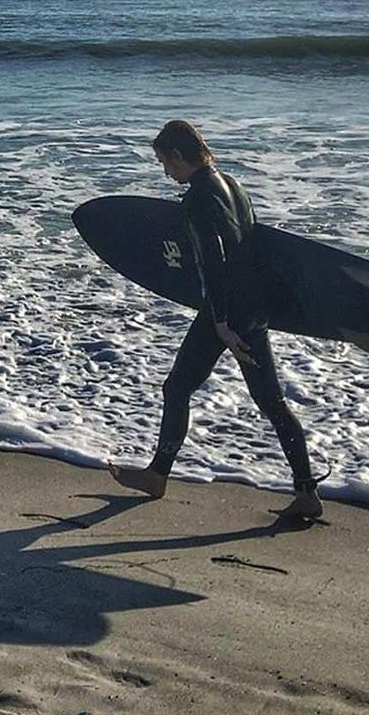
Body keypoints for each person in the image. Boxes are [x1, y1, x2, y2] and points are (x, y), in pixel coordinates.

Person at [109, 119, 324, 520]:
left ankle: (157, 475)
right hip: (253, 310)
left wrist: (222, 322)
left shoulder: (196, 199)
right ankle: (307, 492)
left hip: (225, 313)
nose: (165, 172)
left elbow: (213, 262)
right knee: (272, 403)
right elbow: (255, 249)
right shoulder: (233, 186)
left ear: (177, 156)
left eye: (164, 163)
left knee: (176, 388)